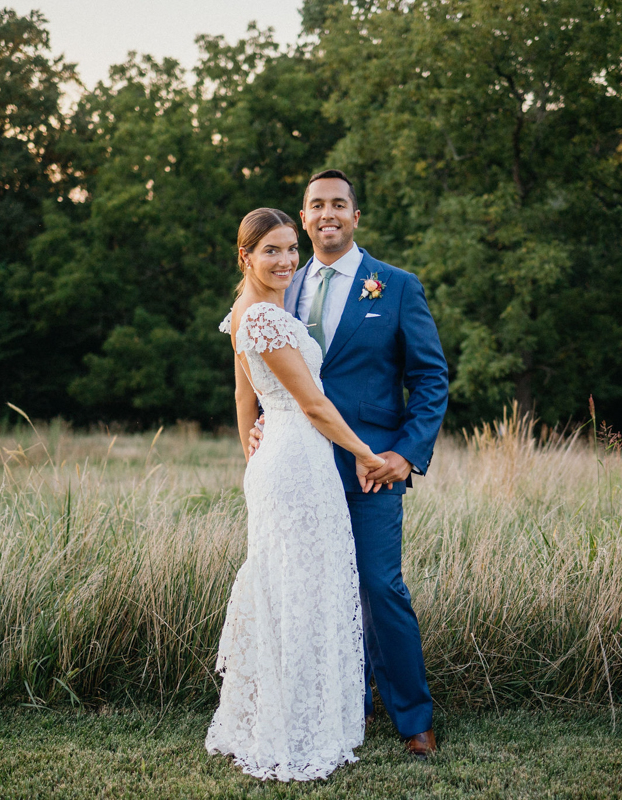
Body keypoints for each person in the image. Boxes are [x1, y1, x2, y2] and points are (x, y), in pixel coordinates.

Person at [248, 170, 450, 758]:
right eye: (316, 205)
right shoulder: (281, 283)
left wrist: (404, 454)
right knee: (310, 591)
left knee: (379, 587)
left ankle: (414, 717)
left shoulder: (397, 286)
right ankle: (341, 708)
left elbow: (431, 379)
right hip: (298, 469)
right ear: (303, 217)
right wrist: (266, 417)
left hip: (371, 468)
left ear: (355, 217)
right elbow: (268, 364)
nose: (327, 213)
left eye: (339, 204)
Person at [205, 207, 387, 781]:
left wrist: (250, 453)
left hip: (280, 461)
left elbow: (244, 401)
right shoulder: (266, 318)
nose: (286, 260)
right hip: (297, 465)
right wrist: (367, 454)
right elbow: (312, 404)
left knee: (289, 585)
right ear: (247, 257)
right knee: (300, 589)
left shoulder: (248, 313)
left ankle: (290, 717)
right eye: (272, 251)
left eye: (291, 249)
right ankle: (293, 729)